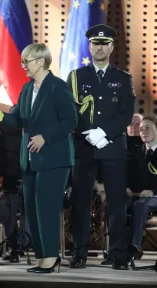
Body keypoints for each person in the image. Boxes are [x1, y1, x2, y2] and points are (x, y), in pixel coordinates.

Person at [0, 43, 77, 273]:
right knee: (32, 210)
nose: (22, 66)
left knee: (46, 208)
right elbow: (17, 118)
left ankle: (51, 256)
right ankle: (41, 256)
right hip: (30, 161)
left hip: (54, 160)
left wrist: (44, 137)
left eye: (26, 61)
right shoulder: (27, 89)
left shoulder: (57, 87)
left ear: (40, 61)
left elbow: (70, 120)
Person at [66, 24, 136, 270]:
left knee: (116, 204)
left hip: (113, 148)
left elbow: (126, 113)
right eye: (95, 43)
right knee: (81, 203)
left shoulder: (123, 78)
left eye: (104, 44)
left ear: (111, 47)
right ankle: (79, 253)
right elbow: (71, 110)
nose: (99, 47)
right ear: (89, 47)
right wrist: (89, 134)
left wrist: (103, 133)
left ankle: (117, 254)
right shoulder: (76, 76)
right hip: (84, 149)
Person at [126, 116, 157, 260]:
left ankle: (134, 246)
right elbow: (130, 174)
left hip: (154, 196)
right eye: (141, 129)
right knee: (116, 205)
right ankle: (117, 248)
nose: (143, 131)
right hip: (137, 194)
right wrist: (127, 187)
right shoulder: (136, 151)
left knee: (141, 205)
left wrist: (153, 190)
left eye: (148, 128)